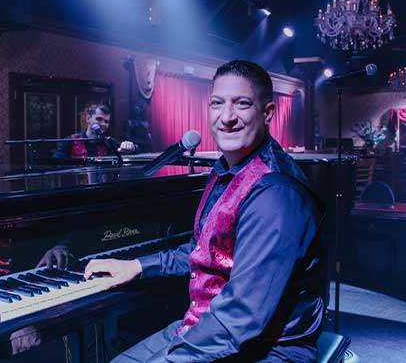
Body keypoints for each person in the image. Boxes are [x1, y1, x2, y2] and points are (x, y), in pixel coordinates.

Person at [80, 60, 326, 362]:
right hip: (206, 326)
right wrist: (139, 265)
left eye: (242, 104)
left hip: (269, 347)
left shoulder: (275, 194)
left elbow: (241, 316)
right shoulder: (227, 168)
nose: (227, 117)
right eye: (217, 104)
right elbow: (207, 249)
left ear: (267, 113)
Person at [52, 104, 136, 160]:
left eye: (106, 121)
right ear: (88, 119)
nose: (103, 124)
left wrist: (131, 147)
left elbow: (137, 152)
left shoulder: (109, 142)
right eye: (99, 119)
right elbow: (55, 163)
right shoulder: (70, 141)